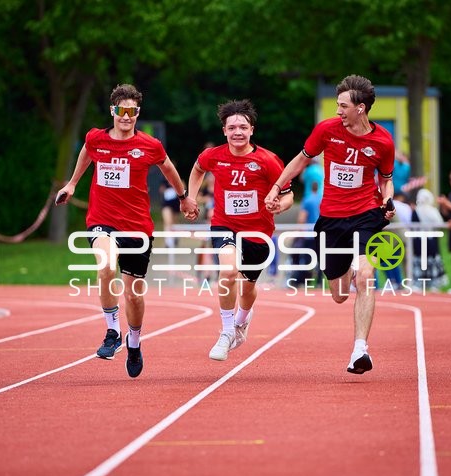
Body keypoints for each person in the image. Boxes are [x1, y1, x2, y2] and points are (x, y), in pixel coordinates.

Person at [55, 83, 193, 379]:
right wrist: (72, 183)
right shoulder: (95, 138)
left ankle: (134, 341)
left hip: (137, 226)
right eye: (122, 111)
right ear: (113, 111)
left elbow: (167, 168)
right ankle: (112, 331)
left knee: (134, 296)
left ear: (137, 113)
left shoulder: (149, 145)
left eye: (132, 111)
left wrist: (183, 197)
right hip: (102, 219)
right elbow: (86, 154)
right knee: (105, 267)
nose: (126, 116)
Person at [264, 74, 396, 374]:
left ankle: (359, 350)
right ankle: (346, 270)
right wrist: (276, 188)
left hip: (366, 213)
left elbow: (386, 182)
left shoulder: (383, 142)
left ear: (360, 108)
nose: (338, 111)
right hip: (332, 218)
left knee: (366, 277)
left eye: (343, 106)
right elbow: (300, 160)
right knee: (338, 294)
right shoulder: (326, 130)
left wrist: (388, 200)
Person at [184, 99, 294, 361]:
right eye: (232, 127)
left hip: (258, 231)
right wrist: (191, 196)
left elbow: (289, 195)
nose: (237, 132)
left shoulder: (268, 160)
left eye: (243, 127)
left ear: (251, 130)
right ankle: (226, 331)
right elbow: (198, 168)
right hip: (224, 224)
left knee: (247, 287)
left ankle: (242, 321)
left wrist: (279, 205)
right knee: (228, 270)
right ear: (224, 130)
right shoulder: (214, 155)